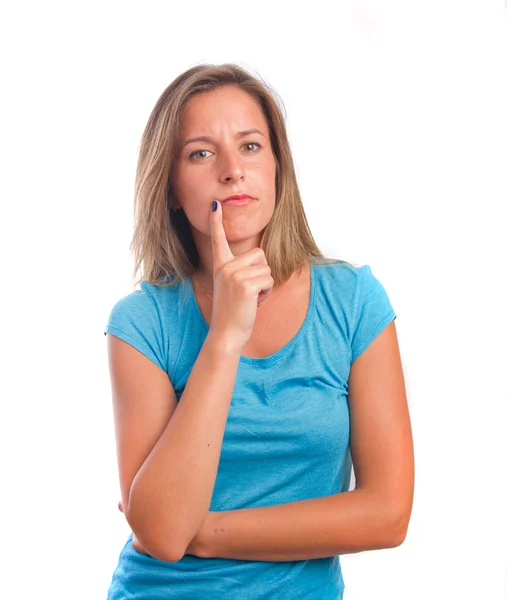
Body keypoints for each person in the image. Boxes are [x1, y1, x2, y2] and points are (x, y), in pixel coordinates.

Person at [103, 63, 414, 600]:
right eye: (201, 153)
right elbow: (158, 534)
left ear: (277, 166)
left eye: (250, 146)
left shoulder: (353, 302)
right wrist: (225, 334)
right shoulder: (141, 323)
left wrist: (205, 533)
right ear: (172, 187)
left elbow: (387, 514)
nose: (232, 170)